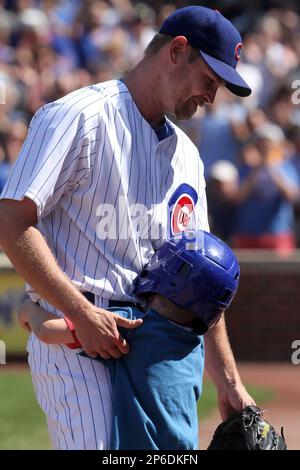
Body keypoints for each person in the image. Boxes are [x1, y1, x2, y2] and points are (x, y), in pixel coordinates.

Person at [0, 5, 254, 450]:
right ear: (176, 51)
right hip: (77, 340)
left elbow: (201, 282)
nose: (212, 97)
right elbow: (11, 221)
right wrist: (80, 312)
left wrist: (228, 380)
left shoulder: (188, 159)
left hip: (159, 346)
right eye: (210, 81)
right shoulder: (78, 117)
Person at [18, 230, 241, 450]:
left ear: (168, 276)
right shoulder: (196, 347)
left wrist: (27, 309)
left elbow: (46, 330)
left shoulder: (134, 325)